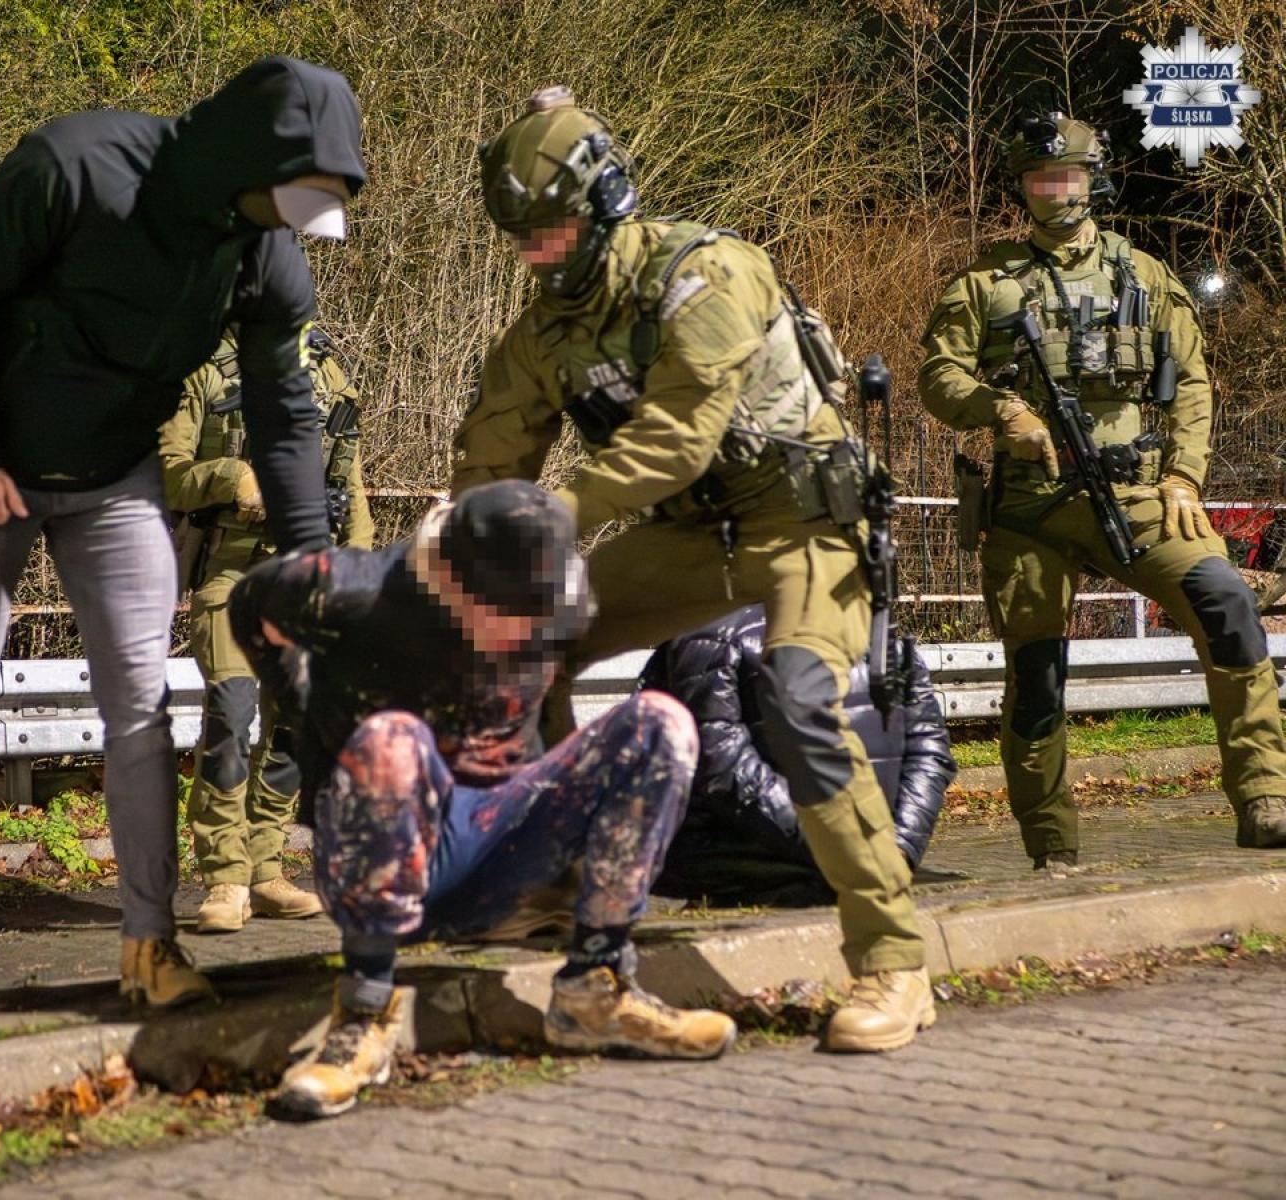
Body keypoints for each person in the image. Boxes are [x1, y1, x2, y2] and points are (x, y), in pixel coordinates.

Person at [451, 86, 934, 1052]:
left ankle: (893, 962)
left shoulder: (710, 275)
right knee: (532, 649)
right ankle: (555, 885)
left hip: (803, 521)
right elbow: (490, 455)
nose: (537, 255)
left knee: (800, 702)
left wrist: (557, 516)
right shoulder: (546, 332)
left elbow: (674, 440)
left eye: (550, 232)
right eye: (522, 240)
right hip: (690, 537)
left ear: (605, 203)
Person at [0, 56, 365, 1017]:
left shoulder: (263, 253)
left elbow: (288, 412)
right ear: (247, 161)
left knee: (141, 702)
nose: (293, 230)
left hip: (115, 473)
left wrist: (301, 563)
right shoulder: (75, 164)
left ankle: (148, 945)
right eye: (289, 201)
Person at [229, 480, 737, 1120]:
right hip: (384, 855)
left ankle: (595, 988)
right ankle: (363, 1015)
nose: (530, 635)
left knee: (660, 724)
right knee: (393, 737)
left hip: (501, 845)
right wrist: (308, 721)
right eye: (511, 617)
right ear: (448, 579)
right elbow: (248, 604)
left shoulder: (560, 598)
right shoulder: (352, 589)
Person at [919, 113, 1286, 870]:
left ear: (1094, 180)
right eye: (1037, 178)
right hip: (1030, 505)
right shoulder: (984, 284)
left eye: (1067, 176)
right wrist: (1002, 409)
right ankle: (1054, 847)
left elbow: (1190, 382)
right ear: (1021, 187)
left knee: (1227, 603)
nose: (1054, 191)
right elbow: (938, 375)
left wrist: (1186, 474)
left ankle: (1264, 796)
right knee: (1038, 678)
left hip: (1143, 495)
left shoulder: (1145, 275)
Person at [159, 328, 373, 933]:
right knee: (231, 710)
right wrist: (233, 477)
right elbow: (169, 473)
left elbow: (349, 486)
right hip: (231, 572)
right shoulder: (202, 369)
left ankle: (266, 868)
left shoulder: (326, 369)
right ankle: (225, 876)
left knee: (297, 720)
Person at [640, 605, 954, 903]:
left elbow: (721, 769)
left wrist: (854, 849)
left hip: (749, 862)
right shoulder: (876, 624)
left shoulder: (710, 628)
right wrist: (895, 849)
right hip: (863, 854)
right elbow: (930, 750)